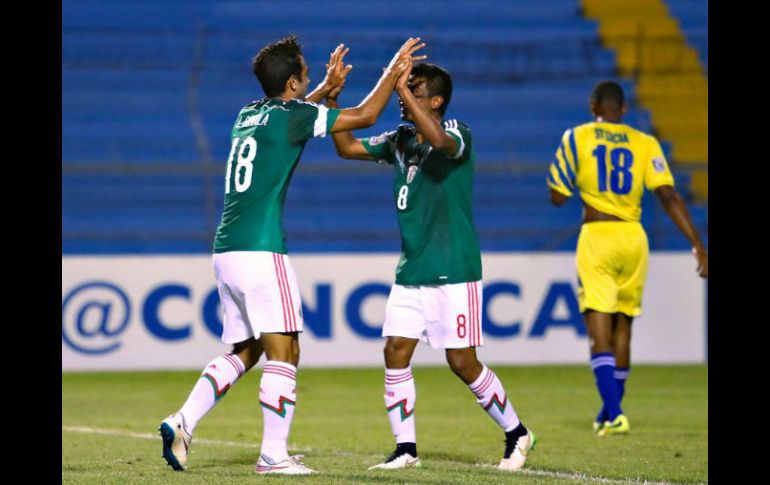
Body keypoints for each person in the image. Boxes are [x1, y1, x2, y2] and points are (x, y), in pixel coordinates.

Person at [158, 34, 426, 475]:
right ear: (294, 84)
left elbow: (297, 116)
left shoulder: (248, 114)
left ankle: (183, 420)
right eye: (305, 72)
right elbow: (367, 115)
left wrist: (324, 88)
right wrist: (393, 70)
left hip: (226, 250)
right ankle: (273, 456)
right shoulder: (291, 116)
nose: (308, 76)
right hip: (262, 251)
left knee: (246, 349)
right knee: (286, 349)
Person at [326, 61, 536, 472]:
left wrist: (398, 90)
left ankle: (517, 432)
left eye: (415, 89)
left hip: (453, 269)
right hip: (412, 270)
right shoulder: (401, 139)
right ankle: (405, 448)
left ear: (435, 100)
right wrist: (333, 99)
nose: (406, 94)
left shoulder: (457, 132)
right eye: (406, 87)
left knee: (462, 362)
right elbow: (347, 147)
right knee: (395, 351)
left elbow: (440, 140)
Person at [546, 80, 708, 436]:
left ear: (593, 107)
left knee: (597, 328)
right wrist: (697, 243)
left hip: (598, 236)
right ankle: (609, 412)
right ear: (623, 110)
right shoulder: (644, 142)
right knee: (624, 326)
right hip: (634, 237)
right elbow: (668, 195)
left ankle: (616, 412)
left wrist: (571, 184)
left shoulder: (577, 137)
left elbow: (557, 195)